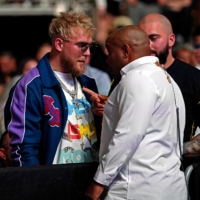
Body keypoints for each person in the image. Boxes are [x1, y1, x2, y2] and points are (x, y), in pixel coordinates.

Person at [85, 25, 187, 200]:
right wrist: (114, 107)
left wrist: (98, 182)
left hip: (137, 188)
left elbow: (128, 135)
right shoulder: (164, 77)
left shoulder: (137, 77)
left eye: (110, 52)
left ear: (126, 50)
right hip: (169, 186)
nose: (107, 59)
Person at [4, 11, 102, 167]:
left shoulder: (88, 84)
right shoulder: (32, 86)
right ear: (59, 44)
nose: (88, 53)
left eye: (90, 46)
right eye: (82, 46)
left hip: (89, 183)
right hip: (53, 185)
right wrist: (39, 186)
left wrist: (104, 116)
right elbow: (24, 149)